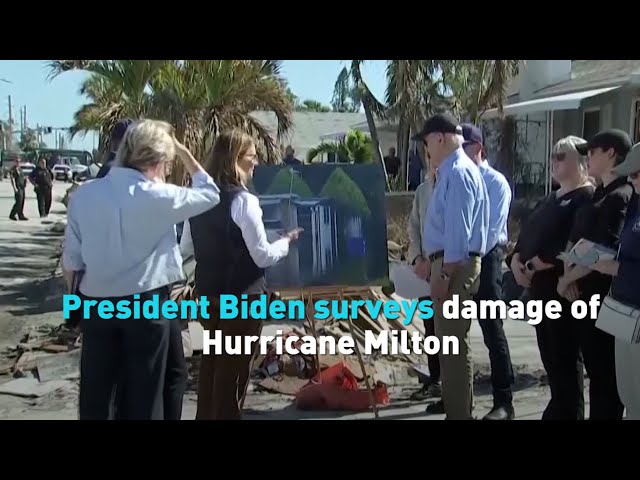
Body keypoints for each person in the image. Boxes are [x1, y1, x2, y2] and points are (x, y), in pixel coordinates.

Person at [62, 119, 220, 420]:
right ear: (161, 161)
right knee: (145, 398)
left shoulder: (84, 195)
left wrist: (74, 307)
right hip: (146, 305)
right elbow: (210, 193)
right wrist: (185, 152)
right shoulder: (159, 196)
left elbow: (72, 263)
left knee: (96, 395)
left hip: (96, 305)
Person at [180, 129, 300, 420]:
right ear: (235, 159)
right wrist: (285, 242)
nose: (256, 161)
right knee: (233, 373)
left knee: (212, 366)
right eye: (252, 156)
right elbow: (262, 255)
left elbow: (185, 247)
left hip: (209, 296)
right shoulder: (243, 201)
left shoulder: (198, 199)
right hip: (243, 299)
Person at [507, 136, 595, 420]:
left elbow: (572, 244)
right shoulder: (550, 198)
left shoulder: (586, 198)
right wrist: (516, 260)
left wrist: (533, 265)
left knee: (566, 367)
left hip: (564, 295)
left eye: (561, 156)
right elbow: (527, 236)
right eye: (553, 156)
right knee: (553, 366)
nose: (554, 162)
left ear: (581, 162)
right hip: (539, 295)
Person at [413, 112, 489, 420]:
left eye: (427, 142)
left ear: (441, 138)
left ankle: (459, 415)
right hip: (449, 263)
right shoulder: (452, 171)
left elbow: (458, 233)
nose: (426, 149)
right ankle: (458, 412)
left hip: (453, 265)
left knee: (453, 349)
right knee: (451, 347)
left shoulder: (457, 173)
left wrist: (443, 274)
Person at [556, 129, 633, 420]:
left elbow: (605, 249)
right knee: (594, 373)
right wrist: (568, 275)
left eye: (594, 151)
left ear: (611, 153)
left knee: (606, 380)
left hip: (605, 296)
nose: (588, 157)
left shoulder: (622, 195)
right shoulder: (597, 193)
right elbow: (575, 243)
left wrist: (568, 278)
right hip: (582, 293)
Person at [461, 123, 516, 420]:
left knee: (492, 330)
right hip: (461, 259)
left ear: (479, 147)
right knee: (456, 331)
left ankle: (504, 402)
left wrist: (470, 255)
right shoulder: (456, 178)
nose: (459, 152)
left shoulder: (495, 182)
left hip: (488, 256)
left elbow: (491, 229)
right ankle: (456, 399)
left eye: (465, 146)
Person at [588, 142, 640, 419]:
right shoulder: (635, 205)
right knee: (628, 394)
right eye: (629, 175)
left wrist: (616, 268)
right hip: (622, 310)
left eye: (636, 174)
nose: (631, 181)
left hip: (637, 311)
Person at [407, 155, 441, 401]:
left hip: (446, 269)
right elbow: (414, 227)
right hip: (423, 272)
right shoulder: (422, 191)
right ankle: (434, 378)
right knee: (430, 328)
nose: (434, 162)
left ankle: (451, 385)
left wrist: (433, 262)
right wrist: (417, 258)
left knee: (447, 330)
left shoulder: (454, 187)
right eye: (430, 158)